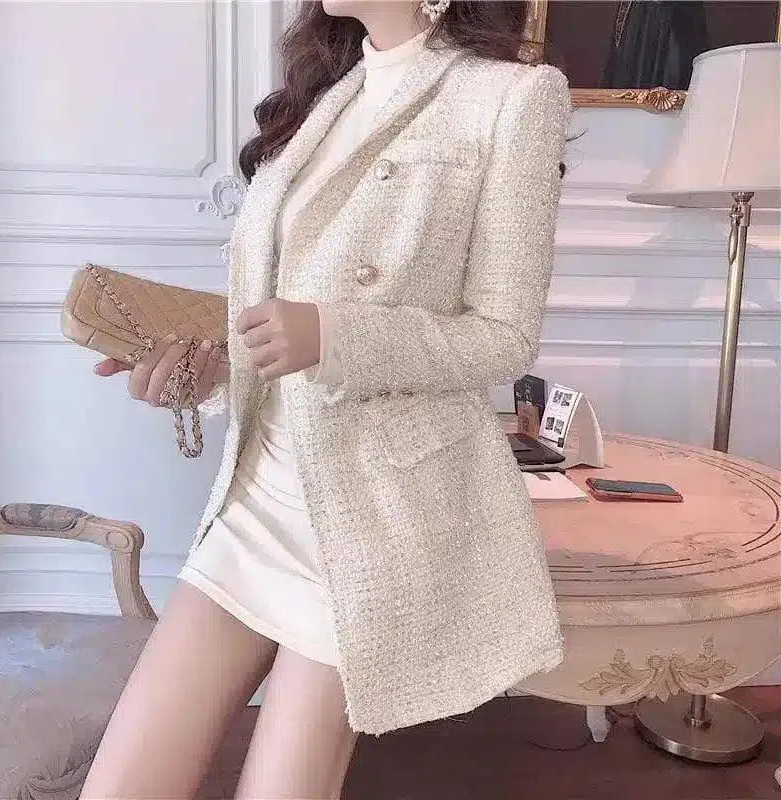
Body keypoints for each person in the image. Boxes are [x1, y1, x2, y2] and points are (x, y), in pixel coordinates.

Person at [81, 1, 573, 798]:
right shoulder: (326, 93)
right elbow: (275, 324)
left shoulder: (513, 97)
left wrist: (337, 336)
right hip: (256, 499)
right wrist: (201, 377)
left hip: (366, 521)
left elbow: (503, 336)